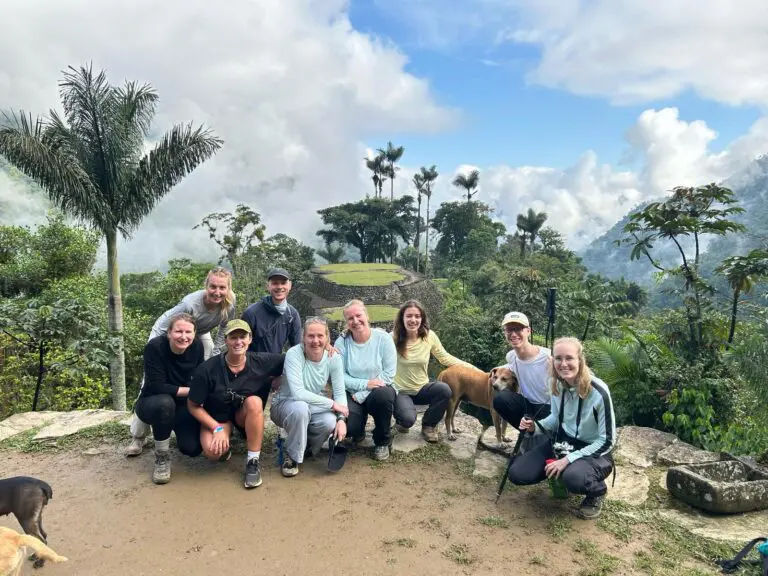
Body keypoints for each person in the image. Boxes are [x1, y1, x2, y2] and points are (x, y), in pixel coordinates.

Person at [126, 266, 237, 456]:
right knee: (150, 384)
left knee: (204, 373)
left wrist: (216, 353)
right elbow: (163, 325)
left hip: (198, 335)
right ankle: (138, 437)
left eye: (222, 288)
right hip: (168, 333)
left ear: (228, 288)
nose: (217, 292)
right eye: (213, 287)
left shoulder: (230, 302)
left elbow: (223, 330)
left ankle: (199, 418)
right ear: (206, 286)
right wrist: (159, 352)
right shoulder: (190, 304)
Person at [509, 337, 616, 520]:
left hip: (593, 451)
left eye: (569, 358)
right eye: (558, 358)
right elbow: (555, 420)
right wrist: (535, 427)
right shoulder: (557, 384)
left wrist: (568, 460)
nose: (563, 364)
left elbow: (607, 440)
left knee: (574, 478)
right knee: (517, 473)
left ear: (580, 361)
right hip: (563, 442)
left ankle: (597, 492)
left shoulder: (599, 391)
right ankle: (564, 476)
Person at [187, 319, 285, 489]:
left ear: (250, 339)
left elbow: (294, 357)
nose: (238, 342)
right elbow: (193, 405)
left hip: (243, 415)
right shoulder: (207, 369)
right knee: (213, 452)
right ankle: (225, 442)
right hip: (218, 418)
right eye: (233, 337)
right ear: (226, 340)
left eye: (242, 337)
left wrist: (327, 346)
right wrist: (216, 428)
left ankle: (253, 461)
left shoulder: (262, 361)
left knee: (254, 401)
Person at [270, 317, 348, 477]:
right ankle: (292, 457)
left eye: (320, 336)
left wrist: (341, 419)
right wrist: (332, 404)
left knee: (329, 422)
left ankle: (305, 447)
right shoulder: (294, 354)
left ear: (327, 338)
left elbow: (340, 392)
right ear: (303, 338)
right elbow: (298, 393)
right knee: (300, 408)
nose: (315, 341)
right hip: (285, 404)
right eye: (311, 336)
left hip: (311, 406)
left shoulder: (334, 358)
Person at [133, 313, 205, 484]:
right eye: (179, 331)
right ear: (169, 333)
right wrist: (192, 391)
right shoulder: (155, 347)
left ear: (194, 334)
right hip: (153, 402)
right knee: (165, 403)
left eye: (188, 332)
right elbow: (158, 386)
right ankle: (162, 456)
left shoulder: (197, 347)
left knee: (193, 449)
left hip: (181, 405)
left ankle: (172, 430)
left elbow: (199, 376)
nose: (184, 337)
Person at [391, 300, 468, 442]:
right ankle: (402, 421)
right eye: (409, 316)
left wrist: (468, 366)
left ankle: (429, 425)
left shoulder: (429, 336)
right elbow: (373, 340)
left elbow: (444, 358)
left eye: (417, 316)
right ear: (402, 318)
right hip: (401, 392)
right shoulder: (392, 338)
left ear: (422, 319)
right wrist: (349, 332)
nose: (413, 320)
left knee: (444, 390)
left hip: (422, 388)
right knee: (407, 420)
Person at [334, 300, 397, 461]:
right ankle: (359, 430)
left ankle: (382, 440)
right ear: (346, 322)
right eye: (350, 318)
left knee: (385, 396)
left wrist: (363, 392)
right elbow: (339, 376)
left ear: (367, 316)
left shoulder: (383, 339)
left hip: (377, 391)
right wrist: (364, 384)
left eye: (358, 315)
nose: (355, 321)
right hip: (352, 392)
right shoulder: (342, 342)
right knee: (351, 428)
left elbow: (389, 373)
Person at [492, 311, 552, 428]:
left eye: (518, 329)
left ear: (528, 331)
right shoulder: (511, 356)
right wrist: (493, 373)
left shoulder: (548, 357)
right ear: (505, 332)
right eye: (509, 330)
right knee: (500, 399)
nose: (513, 334)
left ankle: (540, 434)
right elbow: (507, 368)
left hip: (548, 408)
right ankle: (525, 432)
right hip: (527, 405)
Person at [240, 267, 301, 354]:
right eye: (275, 283)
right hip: (253, 364)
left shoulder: (292, 315)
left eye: (283, 283)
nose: (279, 287)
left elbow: (297, 347)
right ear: (268, 286)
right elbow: (240, 344)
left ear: (290, 285)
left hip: (276, 364)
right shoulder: (252, 312)